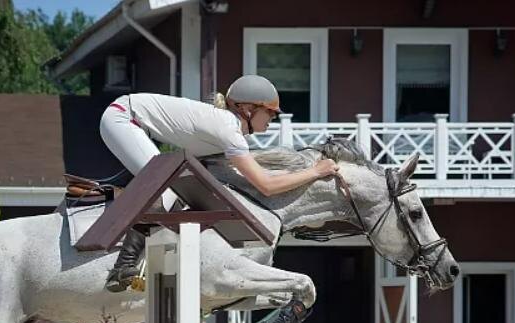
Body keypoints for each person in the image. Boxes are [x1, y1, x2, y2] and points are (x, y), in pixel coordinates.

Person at [100, 74, 338, 292]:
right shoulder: (228, 129)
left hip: (135, 122)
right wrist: (315, 172)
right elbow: (266, 185)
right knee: (165, 189)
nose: (273, 118)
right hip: (122, 118)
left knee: (179, 191)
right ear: (247, 108)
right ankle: (123, 267)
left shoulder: (227, 130)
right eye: (270, 112)